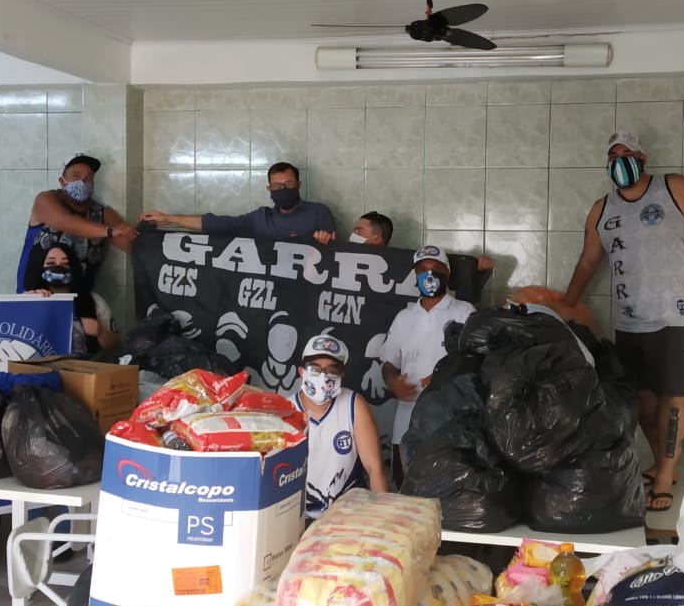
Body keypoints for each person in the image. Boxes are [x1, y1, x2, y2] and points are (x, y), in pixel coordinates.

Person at [561, 131, 684, 513]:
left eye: (626, 153)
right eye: (612, 155)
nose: (619, 161)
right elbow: (588, 261)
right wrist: (567, 303)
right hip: (631, 319)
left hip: (679, 314)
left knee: (672, 395)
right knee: (643, 400)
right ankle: (664, 464)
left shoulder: (673, 187)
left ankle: (665, 475)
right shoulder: (602, 209)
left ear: (642, 157)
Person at [376, 245, 476, 487]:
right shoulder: (404, 318)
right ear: (415, 276)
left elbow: (476, 361)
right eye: (422, 270)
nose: (429, 275)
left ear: (447, 273)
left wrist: (444, 376)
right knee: (406, 493)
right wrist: (392, 382)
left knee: (447, 495)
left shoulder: (465, 312)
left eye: (436, 269)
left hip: (450, 424)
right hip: (406, 424)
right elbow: (388, 363)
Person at [293, 334, 388, 519]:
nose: (323, 376)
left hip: (347, 517)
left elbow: (374, 468)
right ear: (301, 372)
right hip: (297, 518)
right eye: (315, 368)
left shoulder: (353, 405)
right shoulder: (287, 410)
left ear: (342, 374)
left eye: (331, 370)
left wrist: (383, 521)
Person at [17, 153, 138, 294]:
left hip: (80, 303)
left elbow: (134, 245)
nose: (83, 181)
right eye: (76, 175)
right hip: (35, 296)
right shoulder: (46, 200)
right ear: (62, 182)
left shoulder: (102, 214)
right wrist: (110, 231)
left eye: (89, 177)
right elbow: (66, 222)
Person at [139, 162, 337, 244]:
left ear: (299, 184)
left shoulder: (319, 212)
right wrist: (167, 219)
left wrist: (323, 242)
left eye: (289, 184)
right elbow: (217, 224)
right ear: (269, 190)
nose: (282, 190)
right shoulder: (261, 218)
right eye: (276, 186)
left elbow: (339, 256)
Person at [24, 245, 121, 356]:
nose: (58, 267)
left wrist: (100, 332)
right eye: (51, 263)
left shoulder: (94, 301)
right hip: (42, 369)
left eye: (65, 264)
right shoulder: (30, 298)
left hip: (83, 368)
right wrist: (28, 302)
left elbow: (115, 344)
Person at [352, 210, 495, 271]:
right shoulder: (341, 259)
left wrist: (473, 267)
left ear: (377, 239)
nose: (353, 234)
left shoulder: (402, 264)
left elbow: (442, 271)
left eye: (359, 230)